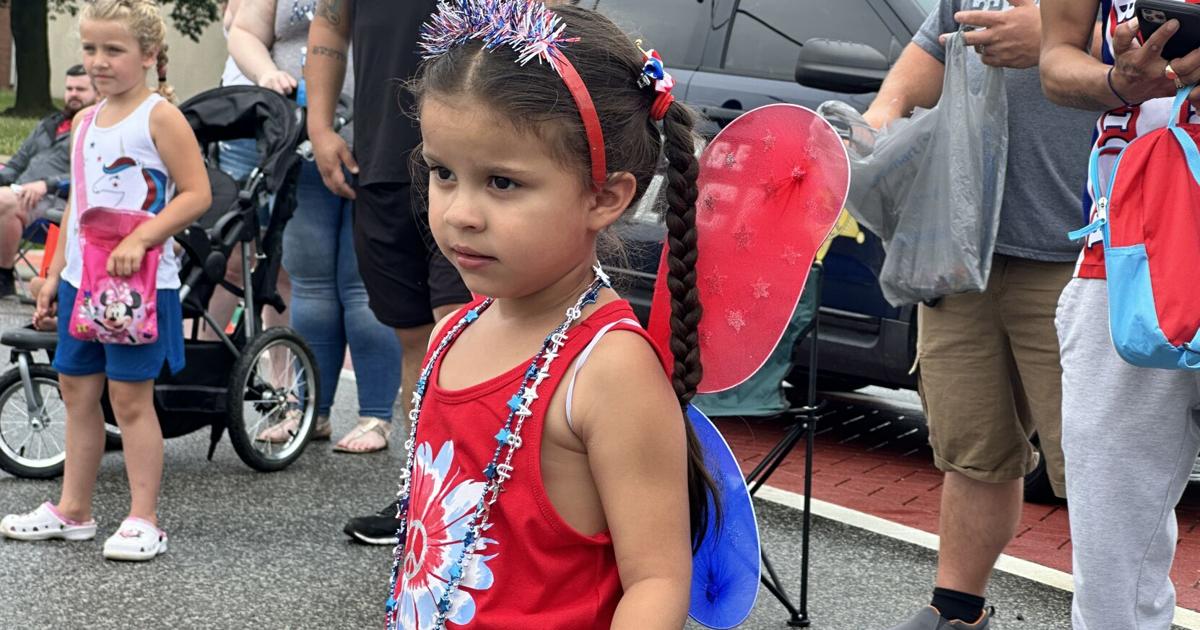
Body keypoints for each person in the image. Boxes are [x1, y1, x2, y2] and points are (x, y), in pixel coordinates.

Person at [381, 2, 717, 626]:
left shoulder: (607, 369)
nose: (460, 213)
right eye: (443, 172)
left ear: (605, 196)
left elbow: (657, 581)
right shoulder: (455, 331)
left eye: (502, 183)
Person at [863, 2, 1097, 628]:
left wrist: (1056, 38)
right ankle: (956, 611)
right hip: (961, 252)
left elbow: (1171, 56)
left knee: (1100, 467)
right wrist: (880, 121)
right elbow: (928, 55)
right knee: (973, 449)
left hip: (1082, 258)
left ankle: (1114, 615)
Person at [0, 0, 211, 561]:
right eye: (90, 49)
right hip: (82, 280)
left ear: (147, 55)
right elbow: (80, 204)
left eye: (113, 50)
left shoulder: (160, 117)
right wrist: (52, 275)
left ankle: (144, 518)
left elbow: (197, 193)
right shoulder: (87, 121)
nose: (98, 61)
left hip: (140, 286)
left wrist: (141, 239)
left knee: (130, 398)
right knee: (76, 390)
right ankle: (73, 510)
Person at [1042, 3, 1200, 628]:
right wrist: (1119, 80)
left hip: (1129, 262)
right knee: (1111, 569)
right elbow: (1056, 62)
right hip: (1127, 259)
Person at [304, 0, 472, 543]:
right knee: (416, 341)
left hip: (469, 165)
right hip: (379, 162)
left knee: (460, 332)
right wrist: (320, 126)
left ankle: (478, 498)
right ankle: (424, 495)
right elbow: (330, 23)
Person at [229, 0, 402, 453]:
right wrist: (266, 72)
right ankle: (310, 412)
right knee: (310, 282)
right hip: (301, 138)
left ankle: (376, 416)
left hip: (378, 134)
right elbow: (244, 31)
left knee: (363, 283)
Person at [0, 65, 97, 297]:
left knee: (5, 201)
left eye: (81, 89)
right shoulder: (48, 124)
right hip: (19, 193)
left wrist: (47, 184)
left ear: (97, 93)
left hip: (60, 202)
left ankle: (3, 276)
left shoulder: (94, 127)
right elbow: (17, 163)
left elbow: (89, 174)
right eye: (69, 88)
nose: (73, 94)